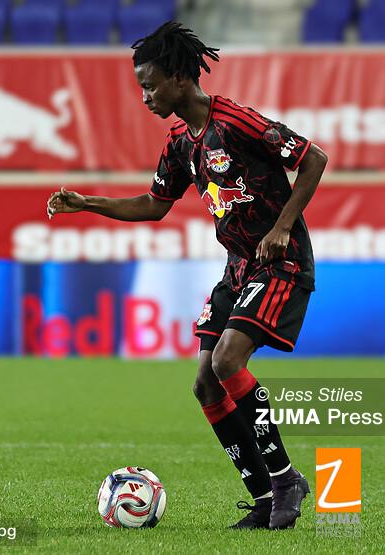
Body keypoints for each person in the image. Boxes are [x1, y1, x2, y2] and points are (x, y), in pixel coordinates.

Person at [46, 22, 327, 530]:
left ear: (179, 78)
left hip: (279, 262)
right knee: (205, 384)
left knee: (226, 360)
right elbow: (153, 205)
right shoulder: (180, 142)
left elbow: (313, 160)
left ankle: (286, 479)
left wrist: (283, 227)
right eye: (142, 88)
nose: (145, 97)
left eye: (150, 86)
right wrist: (88, 203)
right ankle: (264, 498)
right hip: (238, 268)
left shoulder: (236, 122)